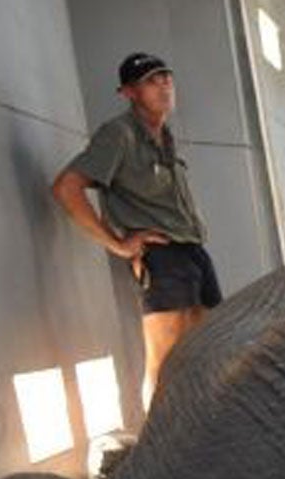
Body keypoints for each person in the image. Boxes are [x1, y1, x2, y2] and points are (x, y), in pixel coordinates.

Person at [52, 52, 223, 409]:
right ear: (129, 92)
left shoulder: (165, 137)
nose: (163, 87)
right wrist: (117, 245)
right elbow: (66, 187)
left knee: (207, 354)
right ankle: (155, 452)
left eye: (166, 78)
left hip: (193, 251)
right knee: (163, 364)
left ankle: (196, 442)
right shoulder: (119, 135)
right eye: (151, 81)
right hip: (161, 256)